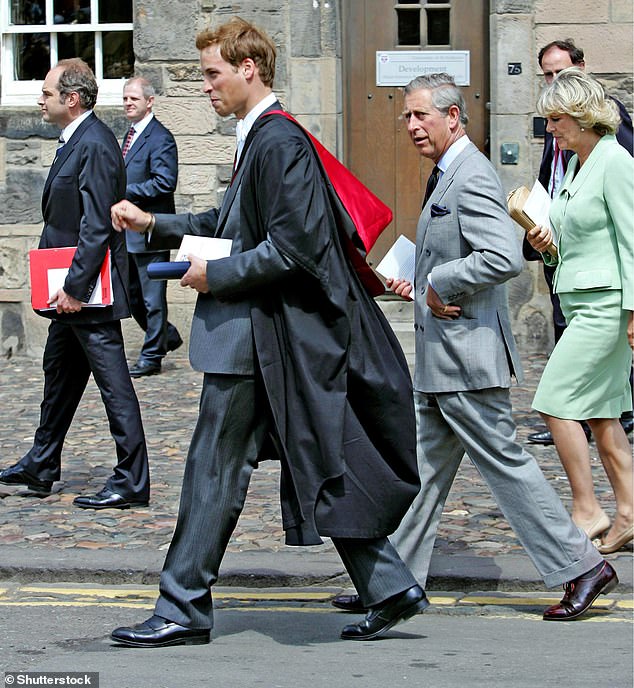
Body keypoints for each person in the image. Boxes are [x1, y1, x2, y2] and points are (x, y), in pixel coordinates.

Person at [108, 17, 427, 647]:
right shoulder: (259, 138)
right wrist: (155, 222)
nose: (205, 87)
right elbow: (232, 222)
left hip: (259, 340)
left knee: (211, 470)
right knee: (314, 460)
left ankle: (181, 607)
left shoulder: (277, 142)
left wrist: (215, 275)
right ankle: (389, 585)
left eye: (212, 73)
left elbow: (293, 248)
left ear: (248, 69)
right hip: (264, 338)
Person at [332, 72, 618, 622]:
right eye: (407, 117)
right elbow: (455, 252)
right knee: (421, 471)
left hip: (468, 359)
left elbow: (502, 257)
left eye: (422, 116)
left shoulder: (471, 174)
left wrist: (440, 282)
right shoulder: (446, 171)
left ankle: (582, 567)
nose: (412, 126)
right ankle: (394, 582)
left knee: (507, 466)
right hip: (443, 361)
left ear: (453, 117)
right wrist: (418, 278)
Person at [0, 59, 150, 510]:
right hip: (71, 291)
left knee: (114, 384)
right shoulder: (77, 140)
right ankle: (43, 462)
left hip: (87, 292)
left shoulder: (96, 144)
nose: (38, 100)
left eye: (46, 93)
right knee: (58, 374)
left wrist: (74, 286)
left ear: (73, 99)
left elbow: (97, 226)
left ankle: (131, 479)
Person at [525, 67, 634, 555]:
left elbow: (633, 243)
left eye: (556, 119)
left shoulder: (615, 161)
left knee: (554, 400)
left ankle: (587, 508)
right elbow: (572, 243)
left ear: (583, 116)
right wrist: (545, 244)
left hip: (607, 306)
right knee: (602, 417)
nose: (550, 130)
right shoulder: (574, 165)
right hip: (580, 299)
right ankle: (629, 514)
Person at [121, 77, 183, 378]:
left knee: (151, 299)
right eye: (125, 99)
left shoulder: (161, 138)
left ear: (149, 101)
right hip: (129, 233)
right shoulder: (130, 135)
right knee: (133, 299)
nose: (128, 103)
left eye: (134, 98)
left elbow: (164, 182)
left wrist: (125, 190)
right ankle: (166, 336)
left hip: (151, 229)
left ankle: (152, 356)